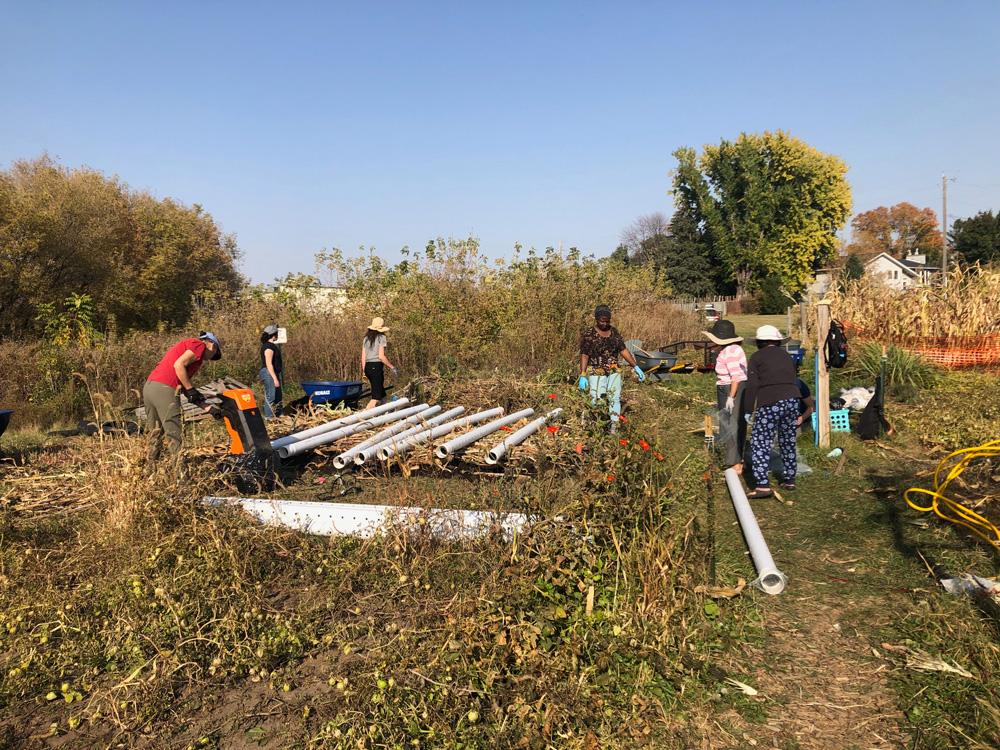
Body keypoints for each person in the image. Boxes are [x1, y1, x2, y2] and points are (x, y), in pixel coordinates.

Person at [143, 331, 222, 477]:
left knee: (155, 434)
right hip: (165, 389)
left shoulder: (189, 352)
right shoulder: (199, 345)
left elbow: (187, 389)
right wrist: (191, 389)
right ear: (212, 345)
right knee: (175, 436)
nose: (210, 359)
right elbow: (178, 365)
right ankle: (181, 479)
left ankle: (149, 474)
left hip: (150, 387)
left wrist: (209, 409)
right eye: (214, 354)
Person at [743, 325, 800, 498]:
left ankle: (762, 485)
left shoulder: (756, 357)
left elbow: (752, 385)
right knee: (787, 439)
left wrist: (748, 409)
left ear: (759, 342)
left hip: (770, 402)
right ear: (777, 341)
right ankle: (789, 478)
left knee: (761, 441)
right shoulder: (787, 356)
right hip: (792, 400)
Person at [578, 304, 646, 430]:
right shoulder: (589, 334)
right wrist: (583, 374)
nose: (604, 323)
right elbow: (584, 355)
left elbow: (623, 350)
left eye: (607, 321)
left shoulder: (613, 332)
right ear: (596, 319)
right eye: (601, 321)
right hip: (596, 372)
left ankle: (613, 427)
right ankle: (595, 426)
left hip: (614, 370)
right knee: (597, 399)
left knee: (614, 398)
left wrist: (635, 366)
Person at [704, 319, 747, 471]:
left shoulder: (729, 352)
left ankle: (733, 462)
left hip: (730, 388)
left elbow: (735, 376)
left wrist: (731, 396)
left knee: (728, 424)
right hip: (735, 387)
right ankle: (737, 458)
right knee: (736, 423)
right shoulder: (734, 349)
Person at [361, 317, 397, 410]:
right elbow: (381, 356)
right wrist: (392, 367)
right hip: (376, 367)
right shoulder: (381, 337)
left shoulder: (366, 338)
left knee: (382, 394)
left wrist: (364, 371)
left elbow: (363, 357)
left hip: (368, 367)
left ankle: (384, 412)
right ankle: (365, 415)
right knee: (375, 398)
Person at [259, 325, 283, 418]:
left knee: (278, 397)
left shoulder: (272, 346)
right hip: (269, 373)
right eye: (276, 333)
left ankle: (279, 416)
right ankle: (270, 419)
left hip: (272, 373)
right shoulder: (268, 347)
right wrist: (275, 379)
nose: (277, 335)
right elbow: (269, 364)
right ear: (273, 335)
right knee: (271, 397)